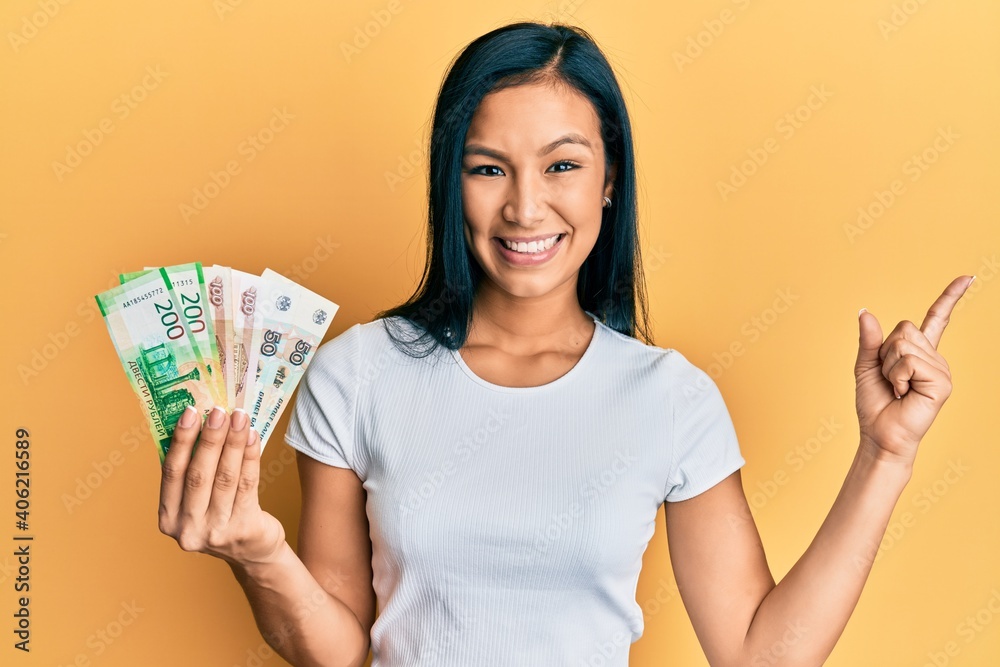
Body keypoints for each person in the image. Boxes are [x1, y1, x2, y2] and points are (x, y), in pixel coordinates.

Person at [156, 21, 974, 667]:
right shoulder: (356, 375)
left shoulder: (670, 398)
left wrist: (885, 456)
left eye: (562, 166)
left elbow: (761, 652)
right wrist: (259, 555)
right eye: (487, 168)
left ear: (609, 179)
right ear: (451, 182)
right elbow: (335, 651)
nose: (524, 207)